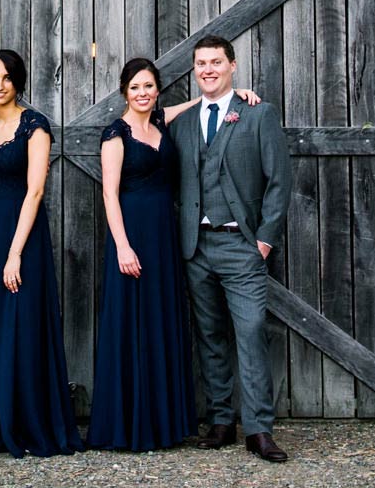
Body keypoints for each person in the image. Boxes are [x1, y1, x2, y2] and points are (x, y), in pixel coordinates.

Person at [88, 59, 262, 451]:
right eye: (135, 87)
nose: (142, 93)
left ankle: (162, 422)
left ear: (157, 90)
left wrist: (237, 97)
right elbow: (109, 194)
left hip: (165, 238)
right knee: (132, 323)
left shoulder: (161, 122)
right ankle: (130, 423)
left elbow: (199, 103)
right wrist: (122, 245)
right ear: (124, 92)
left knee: (160, 321)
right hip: (131, 236)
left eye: (149, 86)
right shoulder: (115, 133)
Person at [174, 36, 293, 462]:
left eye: (216, 62)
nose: (208, 70)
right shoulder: (184, 122)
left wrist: (263, 240)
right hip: (196, 246)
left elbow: (279, 182)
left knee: (250, 333)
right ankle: (221, 421)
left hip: (242, 246)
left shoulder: (258, 114)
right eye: (201, 64)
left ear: (233, 66)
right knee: (209, 337)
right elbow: (133, 117)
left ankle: (259, 430)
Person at [0, 50, 83, 457]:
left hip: (21, 237)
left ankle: (27, 423)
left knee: (20, 326)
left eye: (7, 78)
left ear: (19, 81)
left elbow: (36, 190)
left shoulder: (35, 125)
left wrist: (14, 254)